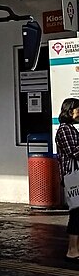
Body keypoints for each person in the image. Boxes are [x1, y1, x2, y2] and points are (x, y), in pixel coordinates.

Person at [55, 97, 79, 260]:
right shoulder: (65, 130)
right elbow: (74, 152)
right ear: (70, 111)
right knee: (77, 212)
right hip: (73, 177)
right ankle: (72, 250)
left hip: (74, 176)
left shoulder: (70, 128)